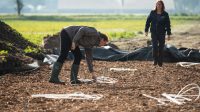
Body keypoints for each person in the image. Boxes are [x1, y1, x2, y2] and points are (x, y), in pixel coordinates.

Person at [145, 0, 171, 67]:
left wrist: (168, 34)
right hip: (154, 32)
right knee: (155, 47)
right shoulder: (152, 12)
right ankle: (155, 60)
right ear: (156, 5)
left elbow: (168, 24)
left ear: (162, 5)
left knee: (161, 47)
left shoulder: (165, 14)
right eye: (157, 4)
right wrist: (146, 30)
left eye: (160, 4)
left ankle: (160, 61)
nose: (159, 5)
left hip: (162, 33)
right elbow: (148, 21)